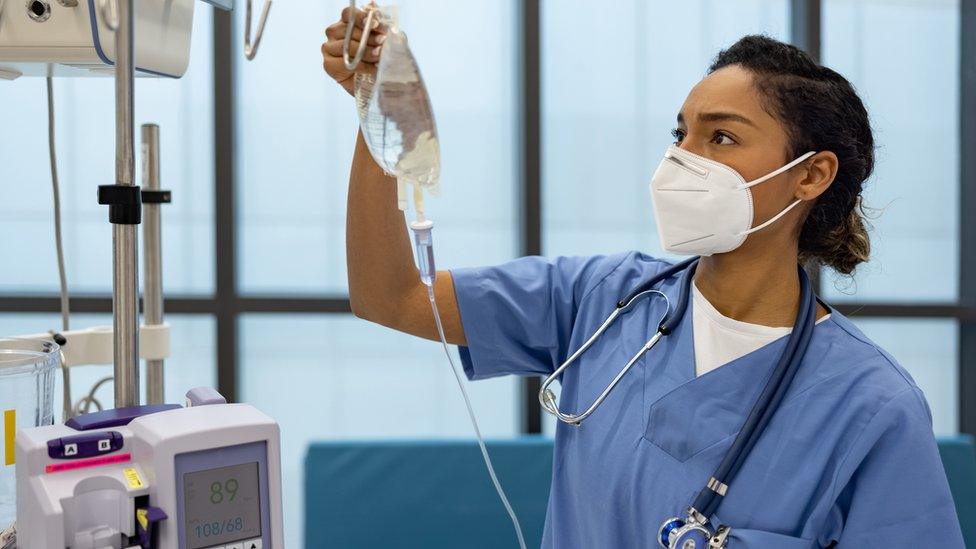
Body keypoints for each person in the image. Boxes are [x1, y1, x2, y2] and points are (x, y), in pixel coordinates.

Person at [322, 9, 964, 548]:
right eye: (682, 133)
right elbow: (391, 296)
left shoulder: (870, 406)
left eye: (722, 138)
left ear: (811, 175)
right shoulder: (600, 300)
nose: (684, 158)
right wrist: (375, 105)